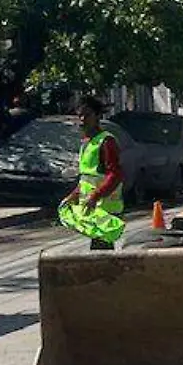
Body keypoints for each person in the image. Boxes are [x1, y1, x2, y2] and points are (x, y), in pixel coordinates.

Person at [59, 97, 125, 250]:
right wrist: (74, 195)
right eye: (80, 115)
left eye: (87, 115)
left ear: (97, 116)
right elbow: (87, 177)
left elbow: (115, 175)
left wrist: (95, 196)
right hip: (93, 206)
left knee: (102, 251)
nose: (82, 120)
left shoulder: (106, 141)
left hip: (105, 207)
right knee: (98, 249)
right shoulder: (87, 143)